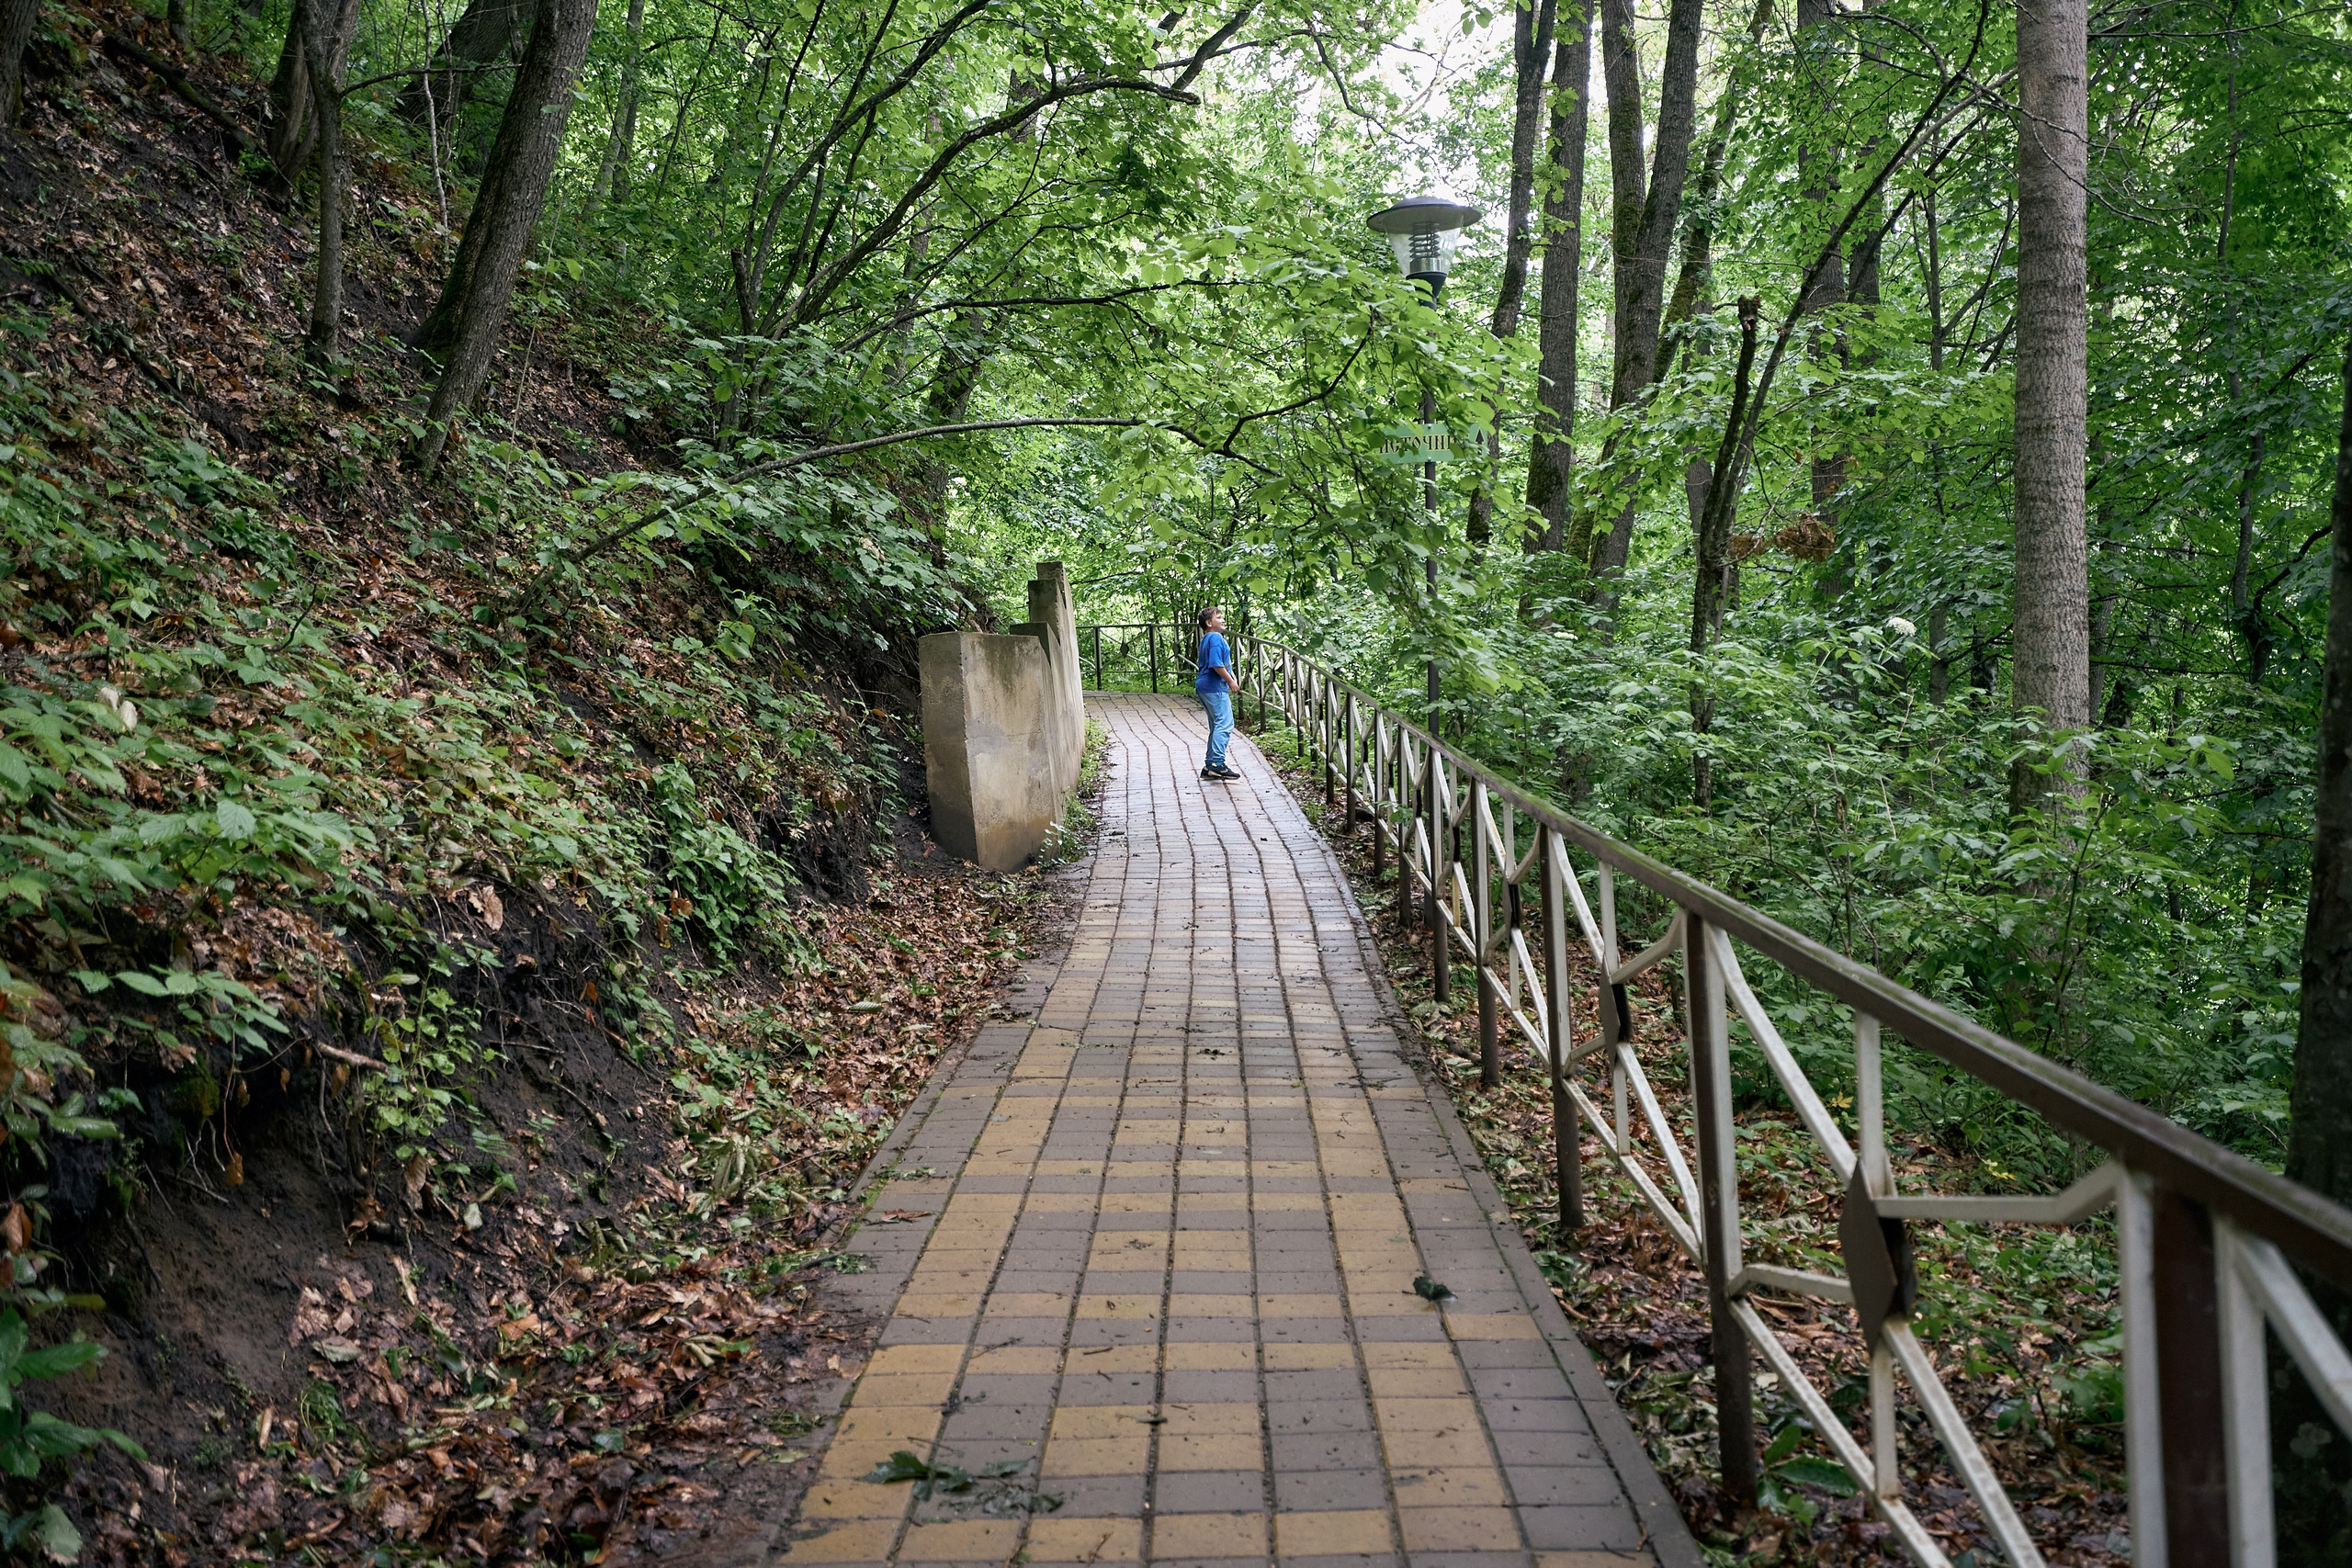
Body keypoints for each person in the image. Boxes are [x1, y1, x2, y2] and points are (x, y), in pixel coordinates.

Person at [1193, 607, 1240, 782]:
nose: (1223, 620)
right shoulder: (1215, 637)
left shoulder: (1207, 638)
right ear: (1209, 623)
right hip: (1214, 687)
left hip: (1205, 686)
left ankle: (1210, 765)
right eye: (1219, 617)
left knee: (1216, 725)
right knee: (1225, 723)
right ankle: (1217, 764)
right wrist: (1230, 681)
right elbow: (1215, 663)